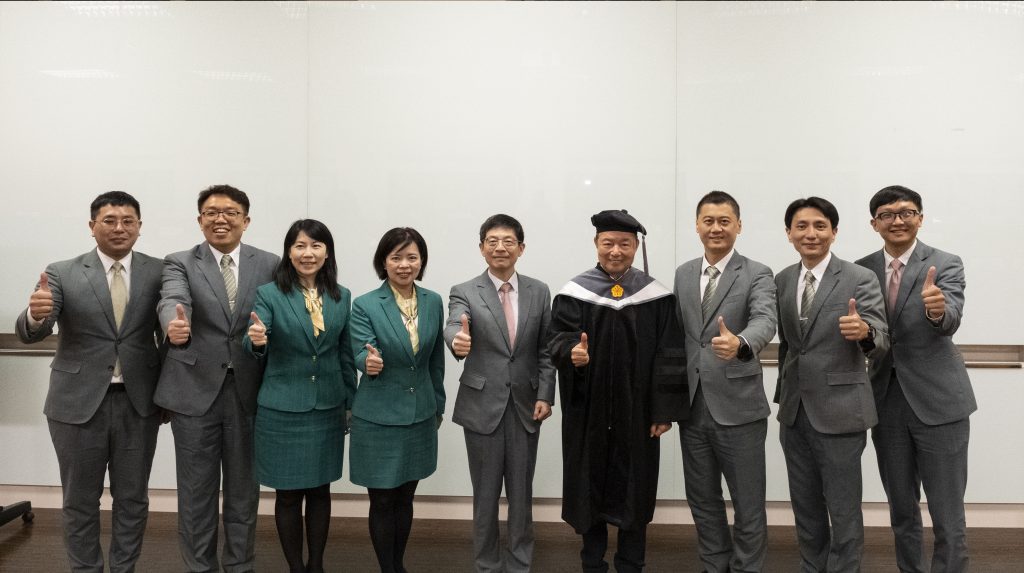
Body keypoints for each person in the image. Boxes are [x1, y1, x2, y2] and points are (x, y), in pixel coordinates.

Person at [15, 191, 163, 573]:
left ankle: (124, 568)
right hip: (76, 404)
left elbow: (169, 331)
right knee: (80, 501)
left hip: (138, 403)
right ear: (92, 226)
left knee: (133, 500)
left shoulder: (160, 271)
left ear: (139, 227)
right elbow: (33, 332)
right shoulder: (62, 272)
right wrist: (35, 315)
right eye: (109, 220)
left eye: (128, 221)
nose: (119, 228)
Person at [548, 209, 687, 573]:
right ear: (596, 244)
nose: (615, 250)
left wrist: (663, 411)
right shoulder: (575, 293)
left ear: (635, 246)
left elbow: (669, 352)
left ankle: (631, 564)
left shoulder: (655, 296)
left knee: (634, 490)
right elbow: (556, 339)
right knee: (589, 486)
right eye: (608, 243)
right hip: (588, 412)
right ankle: (592, 563)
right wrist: (571, 353)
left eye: (624, 244)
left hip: (637, 414)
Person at [154, 184, 279, 572]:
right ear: (199, 220)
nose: (220, 219)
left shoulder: (270, 263)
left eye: (230, 212)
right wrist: (175, 325)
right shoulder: (179, 262)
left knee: (244, 493)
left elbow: (280, 313)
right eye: (211, 212)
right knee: (196, 495)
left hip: (248, 391)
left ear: (246, 220)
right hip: (194, 392)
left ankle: (240, 566)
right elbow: (173, 300)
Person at [855, 185, 976, 573]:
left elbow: (950, 319)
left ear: (920, 218)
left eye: (906, 212)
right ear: (874, 223)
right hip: (885, 401)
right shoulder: (860, 270)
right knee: (902, 511)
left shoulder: (945, 263)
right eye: (887, 214)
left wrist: (937, 311)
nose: (898, 220)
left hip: (940, 401)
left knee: (947, 513)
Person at [774, 196, 889, 573]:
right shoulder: (783, 279)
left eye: (820, 226)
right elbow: (790, 346)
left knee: (843, 509)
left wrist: (865, 332)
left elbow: (882, 340)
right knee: (805, 506)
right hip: (794, 413)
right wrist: (783, 397)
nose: (811, 234)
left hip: (841, 411)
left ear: (834, 232)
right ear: (789, 233)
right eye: (802, 226)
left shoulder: (859, 278)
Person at [443, 214, 556, 573]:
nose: (500, 247)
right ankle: (487, 564)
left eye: (508, 241)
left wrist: (546, 394)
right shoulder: (464, 291)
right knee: (485, 495)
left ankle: (520, 563)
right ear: (481, 248)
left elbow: (546, 348)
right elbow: (454, 325)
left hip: (526, 405)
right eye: (492, 241)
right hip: (481, 406)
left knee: (521, 494)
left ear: (521, 248)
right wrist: (457, 341)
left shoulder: (539, 291)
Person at [672, 191, 777, 573]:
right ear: (697, 226)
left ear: (738, 226)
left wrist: (742, 343)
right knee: (702, 499)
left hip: (739, 405)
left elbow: (765, 319)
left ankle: (747, 567)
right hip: (693, 406)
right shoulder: (684, 273)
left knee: (748, 502)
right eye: (708, 221)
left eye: (724, 221)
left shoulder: (757, 272)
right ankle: (714, 565)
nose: (716, 228)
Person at [243, 219, 357, 573]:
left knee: (321, 491)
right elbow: (255, 336)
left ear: (327, 252)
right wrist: (256, 340)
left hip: (327, 407)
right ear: (289, 252)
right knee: (288, 494)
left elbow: (345, 354)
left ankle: (316, 564)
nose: (308, 253)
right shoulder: (270, 294)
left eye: (316, 246)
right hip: (282, 409)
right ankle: (295, 567)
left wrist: (350, 403)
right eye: (300, 246)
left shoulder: (341, 295)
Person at [349, 227, 446, 573]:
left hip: (420, 415)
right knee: (382, 499)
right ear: (383, 262)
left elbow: (435, 361)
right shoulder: (365, 304)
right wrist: (368, 362)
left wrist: (438, 405)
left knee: (406, 497)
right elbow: (360, 350)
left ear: (421, 261)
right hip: (378, 417)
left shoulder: (433, 301)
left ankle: (398, 565)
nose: (404, 265)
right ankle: (386, 568)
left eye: (412, 257)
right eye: (396, 257)